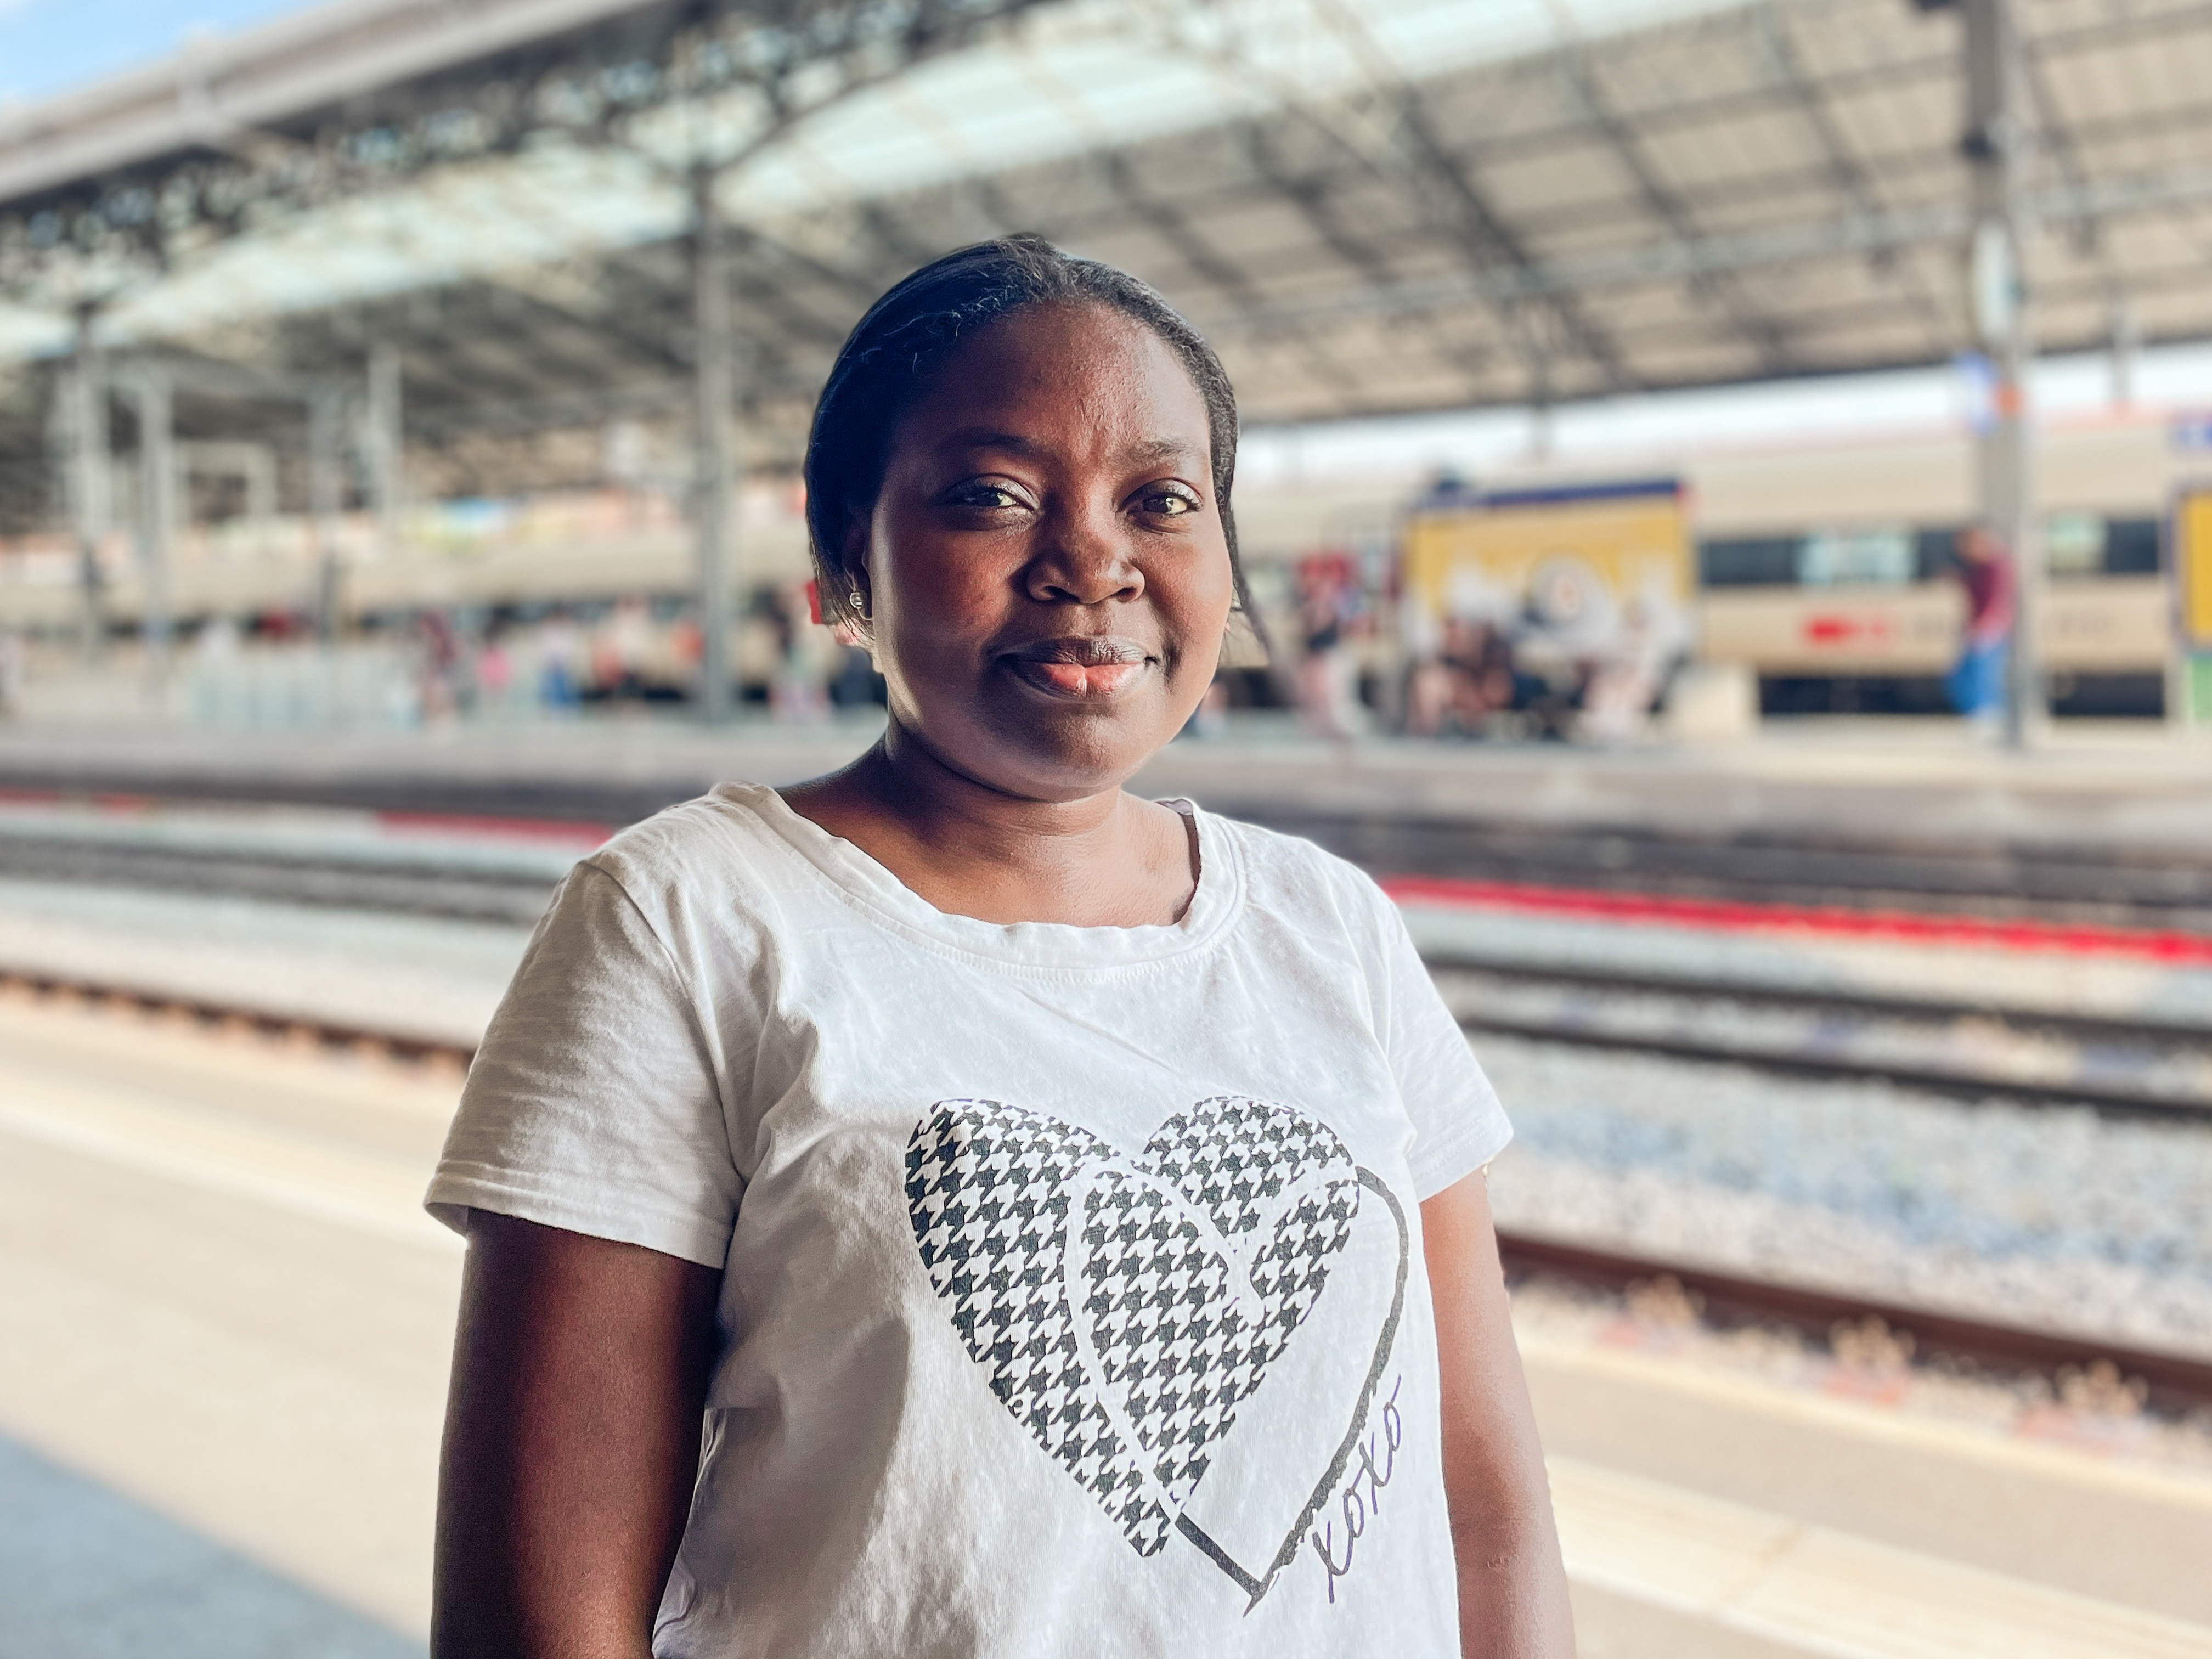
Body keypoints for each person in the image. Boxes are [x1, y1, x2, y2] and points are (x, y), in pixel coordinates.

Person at [426, 235, 1573, 1659]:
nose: (1093, 557)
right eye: (991, 495)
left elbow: (1486, 1511)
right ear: (846, 557)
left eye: (1161, 497)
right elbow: (539, 1626)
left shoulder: (1328, 928)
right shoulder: (684, 922)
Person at [1948, 522, 2015, 723]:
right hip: (1982, 628)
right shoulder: (1981, 568)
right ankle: (1983, 715)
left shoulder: (1995, 567)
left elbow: (1994, 599)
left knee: (1982, 676)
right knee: (1969, 677)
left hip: (1988, 630)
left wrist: (1983, 625)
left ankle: (1987, 716)